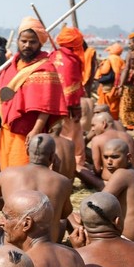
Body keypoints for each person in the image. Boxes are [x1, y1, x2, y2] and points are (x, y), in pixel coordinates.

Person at [0, 17, 67, 170]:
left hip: (28, 130)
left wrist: (36, 130)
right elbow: (3, 91)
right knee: (6, 169)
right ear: (17, 41)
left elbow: (47, 106)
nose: (27, 45)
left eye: (32, 42)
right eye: (23, 41)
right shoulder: (13, 64)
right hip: (7, 128)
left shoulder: (46, 67)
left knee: (23, 170)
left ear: (40, 43)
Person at [0, 134, 72, 242]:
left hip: (11, 243)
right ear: (52, 156)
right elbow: (64, 214)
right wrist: (57, 173)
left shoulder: (8, 173)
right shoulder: (63, 181)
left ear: (27, 151)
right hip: (45, 245)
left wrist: (14, 206)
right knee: (62, 221)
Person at [53, 26, 86, 168]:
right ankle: (73, 165)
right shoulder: (72, 61)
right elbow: (72, 85)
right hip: (68, 106)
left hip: (52, 104)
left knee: (56, 135)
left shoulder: (53, 55)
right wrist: (76, 107)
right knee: (72, 136)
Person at [95, 43, 125, 120]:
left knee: (105, 103)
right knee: (114, 105)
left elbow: (104, 71)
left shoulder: (109, 59)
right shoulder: (121, 60)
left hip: (108, 86)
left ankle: (105, 119)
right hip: (117, 85)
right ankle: (114, 120)